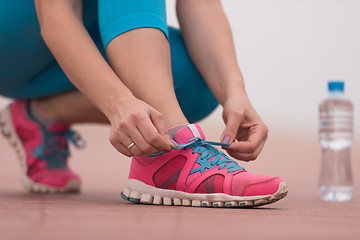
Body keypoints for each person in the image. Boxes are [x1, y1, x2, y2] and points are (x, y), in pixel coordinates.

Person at [0, 0, 287, 207]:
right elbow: (56, 15)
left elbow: (202, 4)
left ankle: (40, 116)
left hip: (59, 51)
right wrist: (118, 103)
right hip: (14, 33)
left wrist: (234, 93)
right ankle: (173, 150)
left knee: (195, 81)